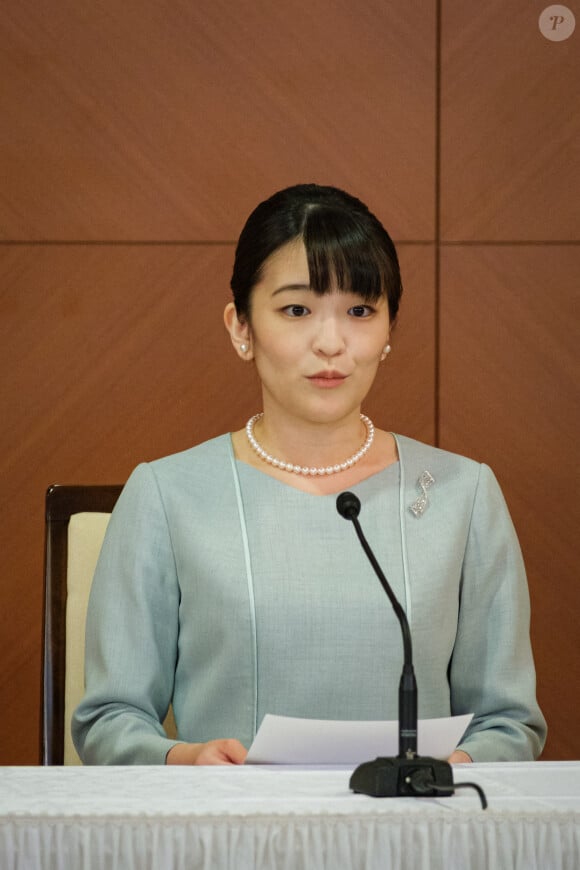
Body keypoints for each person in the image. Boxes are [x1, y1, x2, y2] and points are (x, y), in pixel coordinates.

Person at [72, 183, 546, 766]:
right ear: (241, 327)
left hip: (415, 840)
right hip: (234, 842)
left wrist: (459, 768)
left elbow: (507, 721)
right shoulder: (167, 496)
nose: (330, 343)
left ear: (389, 329)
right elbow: (109, 720)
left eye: (360, 311)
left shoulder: (463, 495)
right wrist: (181, 762)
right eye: (296, 309)